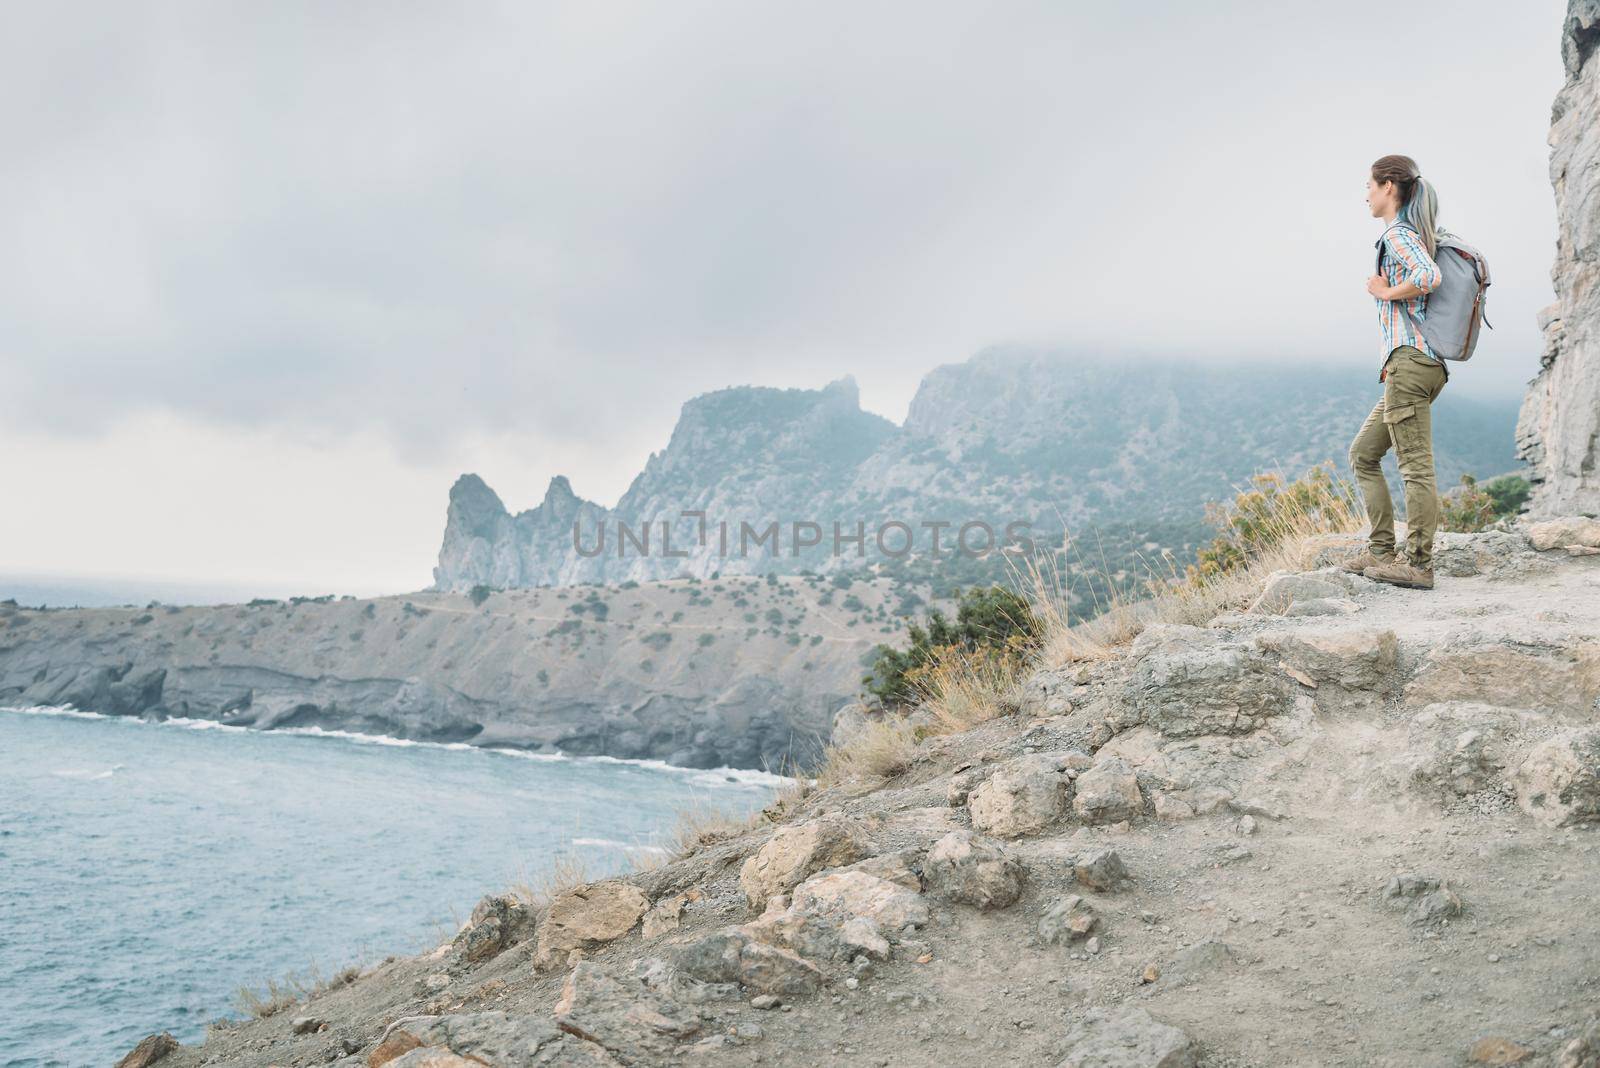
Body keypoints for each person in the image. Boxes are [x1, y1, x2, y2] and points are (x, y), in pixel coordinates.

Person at [1344, 154, 1447, 590]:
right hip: (1410, 364)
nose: (1365, 194)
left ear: (1389, 186)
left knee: (1415, 467)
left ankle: (1419, 564)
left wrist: (1385, 291)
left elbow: (1430, 276)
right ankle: (1381, 550)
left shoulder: (1399, 235)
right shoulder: (1407, 234)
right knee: (1364, 454)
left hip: (1411, 361)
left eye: (1369, 185)